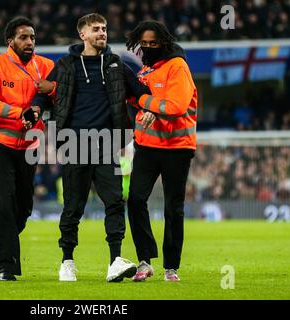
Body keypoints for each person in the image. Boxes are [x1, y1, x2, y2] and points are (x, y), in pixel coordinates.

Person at [32, 13, 150, 282]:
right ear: (82, 34)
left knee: (115, 203)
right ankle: (67, 261)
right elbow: (44, 94)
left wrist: (153, 106)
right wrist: (36, 108)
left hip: (107, 145)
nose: (102, 33)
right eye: (96, 29)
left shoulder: (116, 65)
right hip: (74, 144)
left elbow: (140, 92)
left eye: (105, 28)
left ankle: (115, 262)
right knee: (73, 206)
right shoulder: (65, 65)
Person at [0, 17, 54, 281]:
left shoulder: (45, 66)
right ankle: (7, 266)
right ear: (10, 41)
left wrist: (43, 105)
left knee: (24, 207)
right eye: (23, 37)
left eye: (32, 37)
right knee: (4, 201)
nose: (30, 42)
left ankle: (0, 245)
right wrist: (18, 112)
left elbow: (58, 94)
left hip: (29, 145)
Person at [126, 20, 198, 282]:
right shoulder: (146, 70)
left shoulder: (177, 66)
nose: (147, 47)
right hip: (146, 145)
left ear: (164, 43)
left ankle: (171, 267)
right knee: (135, 200)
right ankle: (145, 261)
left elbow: (176, 106)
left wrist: (146, 103)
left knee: (173, 208)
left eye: (153, 44)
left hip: (176, 147)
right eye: (143, 44)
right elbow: (133, 98)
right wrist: (143, 105)